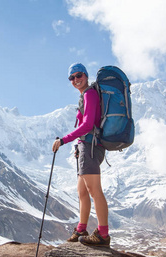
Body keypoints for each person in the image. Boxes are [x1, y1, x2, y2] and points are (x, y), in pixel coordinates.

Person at [52, 63, 110, 247]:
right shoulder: (85, 95)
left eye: (79, 76)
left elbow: (87, 125)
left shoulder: (90, 94)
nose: (76, 80)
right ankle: (81, 230)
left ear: (86, 75)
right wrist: (77, 145)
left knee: (94, 191)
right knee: (82, 192)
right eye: (72, 78)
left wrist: (63, 140)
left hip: (91, 146)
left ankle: (103, 235)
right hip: (86, 146)